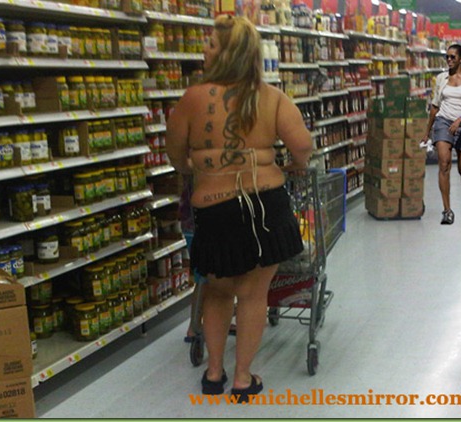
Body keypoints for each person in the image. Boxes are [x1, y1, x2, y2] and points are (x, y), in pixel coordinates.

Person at [166, 14, 312, 402]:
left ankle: (214, 373)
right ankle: (244, 378)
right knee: (252, 294)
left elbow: (175, 154)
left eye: (211, 44)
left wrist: (196, 169)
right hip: (265, 204)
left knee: (217, 291)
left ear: (228, 52)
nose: (204, 49)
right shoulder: (272, 97)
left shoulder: (192, 98)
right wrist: (294, 166)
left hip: (214, 209)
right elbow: (302, 146)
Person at [422, 44, 461, 225]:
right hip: (444, 122)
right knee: (444, 163)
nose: (449, 60)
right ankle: (447, 211)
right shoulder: (441, 78)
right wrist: (427, 132)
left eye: (452, 57)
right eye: (447, 57)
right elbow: (435, 107)